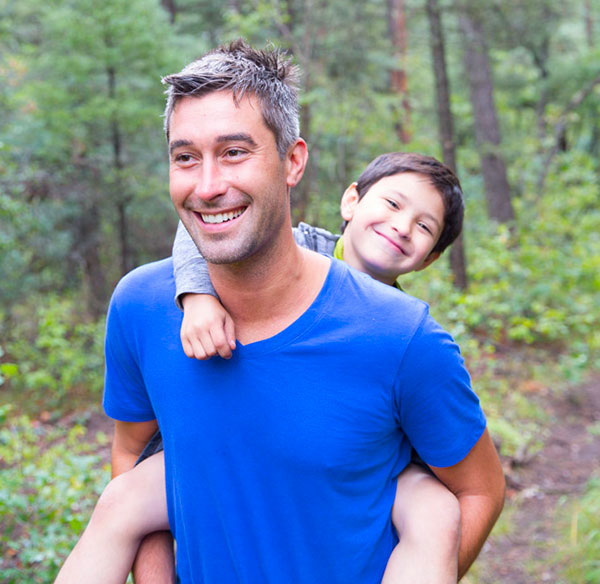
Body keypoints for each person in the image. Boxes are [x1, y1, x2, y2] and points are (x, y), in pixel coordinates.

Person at [56, 40, 505, 584]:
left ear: (292, 161)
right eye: (185, 157)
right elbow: (131, 458)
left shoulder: (403, 335)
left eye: (235, 152)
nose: (208, 184)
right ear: (352, 203)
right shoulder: (143, 307)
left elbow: (478, 488)